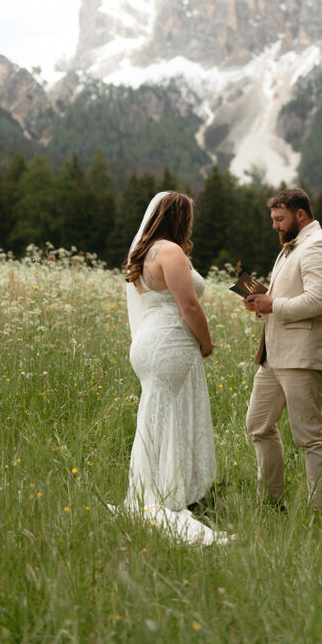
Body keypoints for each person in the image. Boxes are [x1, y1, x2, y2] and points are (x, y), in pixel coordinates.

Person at [118, 190, 227, 545]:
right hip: (171, 342)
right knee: (173, 416)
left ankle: (152, 490)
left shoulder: (144, 253)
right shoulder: (171, 251)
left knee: (155, 416)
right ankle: (169, 495)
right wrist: (207, 342)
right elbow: (189, 306)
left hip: (148, 342)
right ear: (180, 217)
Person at [244, 187, 322, 509]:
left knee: (310, 436)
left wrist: (273, 304)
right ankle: (271, 502)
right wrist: (261, 303)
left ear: (300, 214)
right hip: (274, 354)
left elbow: (317, 301)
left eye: (279, 219)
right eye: (273, 219)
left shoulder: (319, 247)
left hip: (302, 353)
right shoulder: (290, 247)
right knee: (258, 425)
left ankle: (319, 511)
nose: (275, 225)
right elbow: (286, 296)